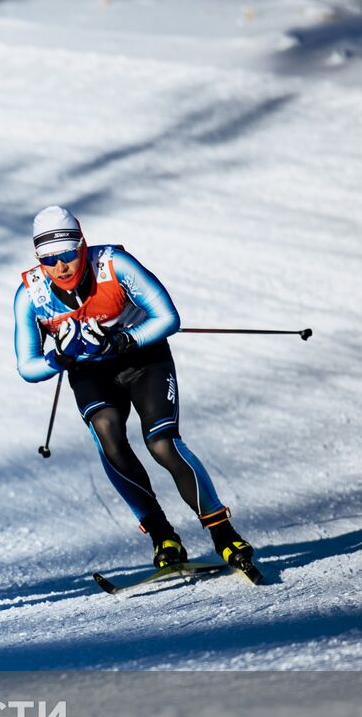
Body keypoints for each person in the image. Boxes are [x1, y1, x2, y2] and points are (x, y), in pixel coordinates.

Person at [13, 205, 259, 579]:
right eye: (50, 259)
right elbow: (27, 366)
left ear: (83, 245)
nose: (61, 266)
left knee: (162, 442)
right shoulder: (30, 295)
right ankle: (163, 536)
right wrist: (59, 357)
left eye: (68, 254)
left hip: (143, 359)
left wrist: (125, 339)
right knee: (108, 435)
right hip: (89, 371)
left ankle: (223, 532)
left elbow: (168, 318)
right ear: (38, 259)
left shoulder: (115, 265)